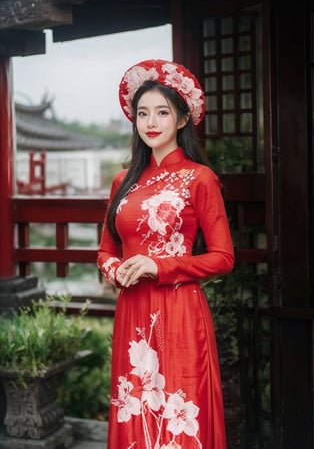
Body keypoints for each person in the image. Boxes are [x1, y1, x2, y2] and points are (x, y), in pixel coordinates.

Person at [97, 59, 234, 449]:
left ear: (182, 118)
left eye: (162, 112)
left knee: (179, 412)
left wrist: (159, 265)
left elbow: (224, 257)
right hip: (133, 312)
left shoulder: (199, 178)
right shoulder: (122, 181)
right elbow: (107, 250)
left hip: (180, 313)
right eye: (143, 113)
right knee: (136, 413)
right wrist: (116, 268)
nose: (151, 122)